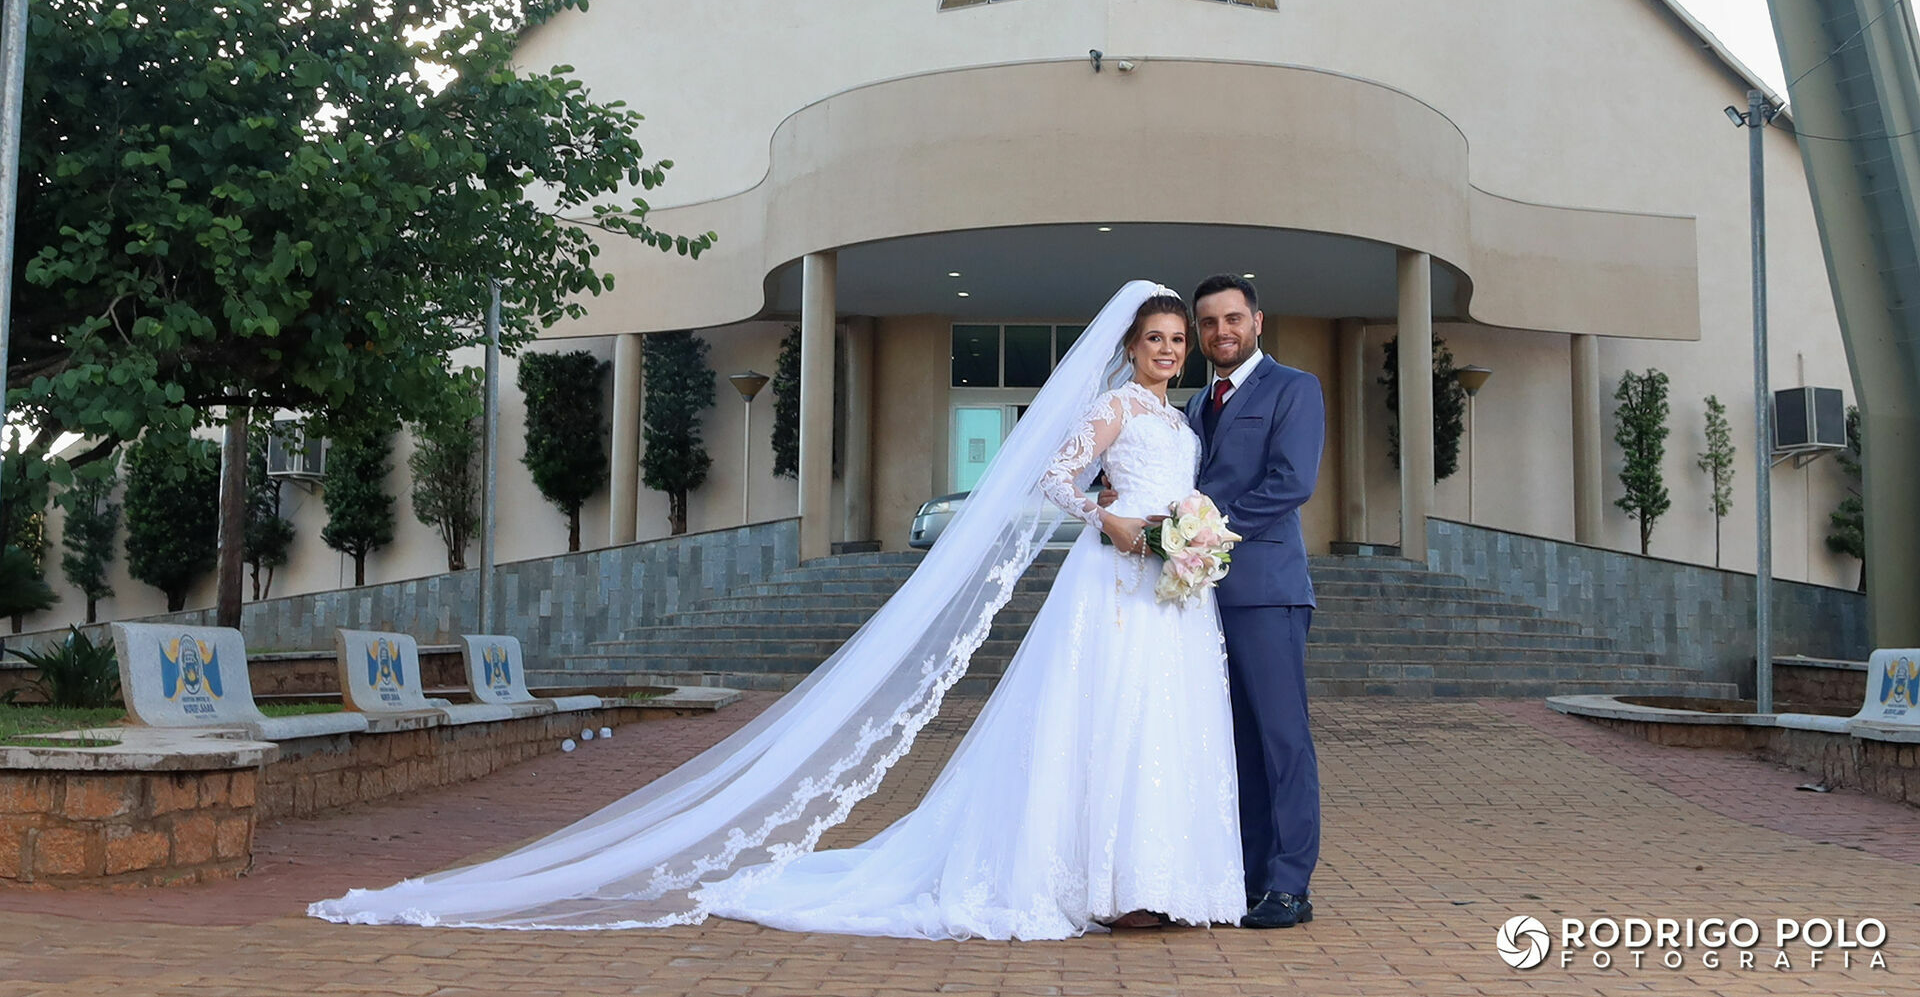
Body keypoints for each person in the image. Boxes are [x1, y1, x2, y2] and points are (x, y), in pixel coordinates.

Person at [308, 282, 1245, 937]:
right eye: (1156, 338)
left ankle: (1160, 880)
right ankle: (1106, 885)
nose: (1168, 350)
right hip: (1114, 581)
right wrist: (1114, 520)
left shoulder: (1184, 415)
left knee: (1162, 727)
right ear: (1129, 346)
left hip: (1172, 592)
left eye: (1177, 340)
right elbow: (1048, 475)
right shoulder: (1117, 410)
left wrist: (1187, 534)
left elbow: (1181, 489)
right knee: (1107, 722)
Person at [1174, 273, 1325, 929]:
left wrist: (1201, 533)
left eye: (1232, 318)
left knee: (1282, 741)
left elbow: (1290, 482)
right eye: (1208, 323)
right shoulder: (1193, 405)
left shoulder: (1295, 388)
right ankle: (1252, 877)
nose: (1220, 332)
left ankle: (1292, 884)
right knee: (1236, 743)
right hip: (1200, 598)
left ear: (1257, 321)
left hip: (1267, 592)